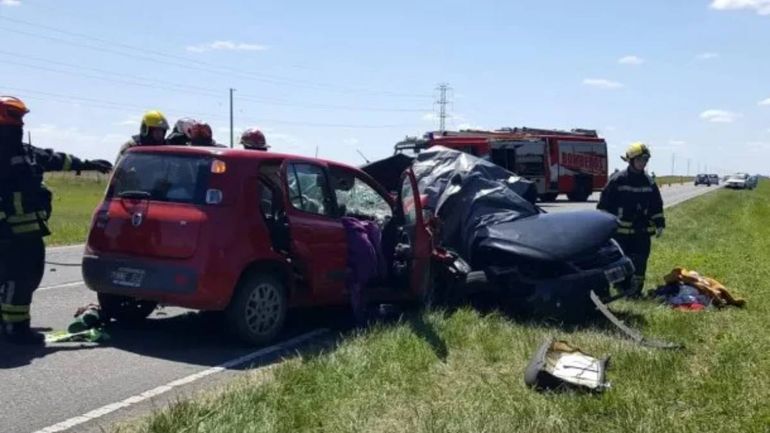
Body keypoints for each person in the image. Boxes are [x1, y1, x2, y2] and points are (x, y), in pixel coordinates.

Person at [0, 96, 112, 344]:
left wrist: (89, 164)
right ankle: (16, 330)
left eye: (20, 119)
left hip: (28, 231)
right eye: (14, 117)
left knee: (21, 278)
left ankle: (9, 323)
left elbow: (56, 159)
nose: (19, 124)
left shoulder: (24, 151)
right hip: (9, 232)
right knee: (19, 279)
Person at [597, 142, 665, 298]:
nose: (643, 163)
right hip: (620, 233)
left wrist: (660, 223)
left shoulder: (649, 182)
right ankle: (621, 288)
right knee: (619, 263)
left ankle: (635, 292)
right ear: (631, 160)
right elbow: (604, 206)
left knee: (640, 262)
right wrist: (604, 227)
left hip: (642, 232)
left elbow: (656, 205)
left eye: (645, 160)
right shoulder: (617, 180)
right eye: (640, 160)